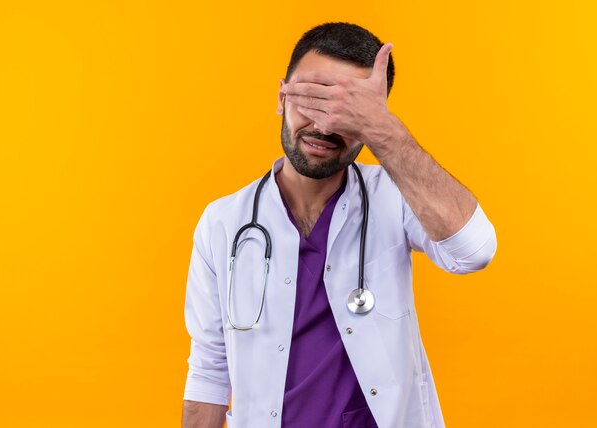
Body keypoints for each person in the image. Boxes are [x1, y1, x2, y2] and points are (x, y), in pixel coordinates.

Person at [181, 22, 497, 428]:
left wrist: (383, 130)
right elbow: (209, 370)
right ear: (281, 97)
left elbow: (474, 250)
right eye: (313, 100)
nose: (324, 127)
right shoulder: (223, 223)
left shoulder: (396, 196)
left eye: (347, 110)